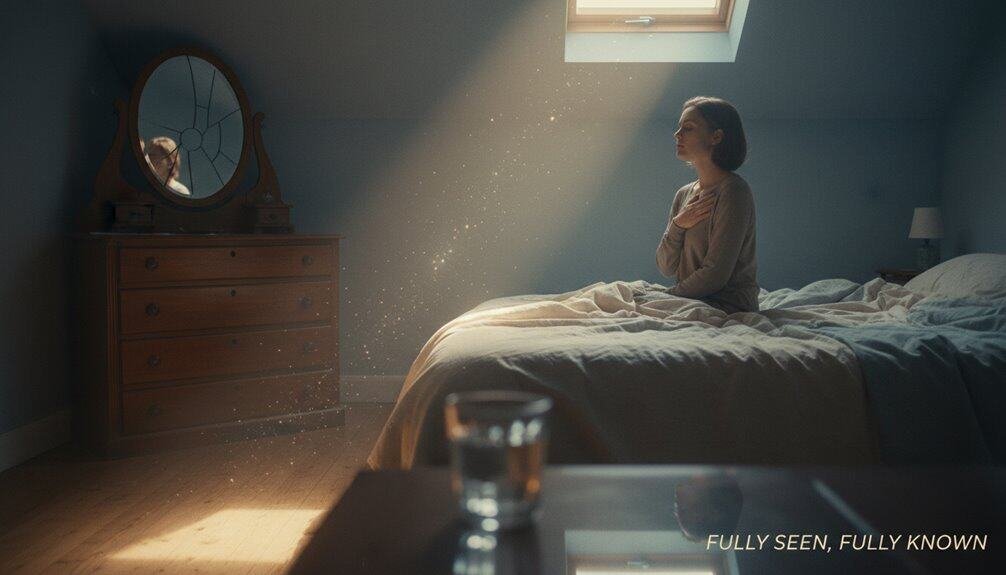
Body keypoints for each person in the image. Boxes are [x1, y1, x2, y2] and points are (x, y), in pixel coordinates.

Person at [656, 96, 759, 313]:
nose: (677, 134)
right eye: (679, 127)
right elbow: (666, 267)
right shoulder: (683, 194)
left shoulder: (734, 191)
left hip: (728, 306)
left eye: (688, 128)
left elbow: (715, 275)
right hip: (691, 301)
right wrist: (678, 225)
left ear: (716, 136)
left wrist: (667, 297)